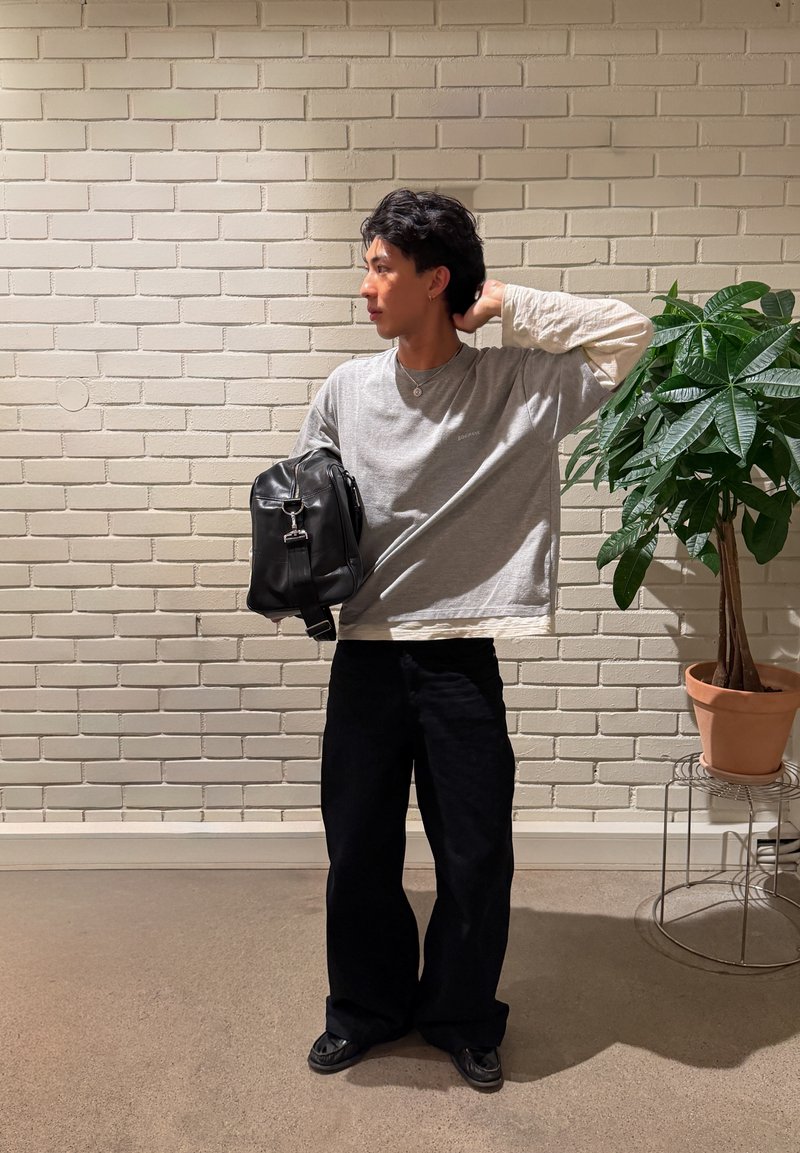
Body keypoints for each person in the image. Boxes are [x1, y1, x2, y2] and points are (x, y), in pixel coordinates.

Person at [289, 189, 654, 1091]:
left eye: (382, 268)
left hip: (460, 654)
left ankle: (459, 1014)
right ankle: (367, 1008)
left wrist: (509, 305)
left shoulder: (518, 385)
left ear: (435, 279)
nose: (365, 286)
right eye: (368, 265)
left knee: (475, 852)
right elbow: (309, 503)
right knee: (360, 847)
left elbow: (632, 334)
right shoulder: (344, 387)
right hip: (366, 653)